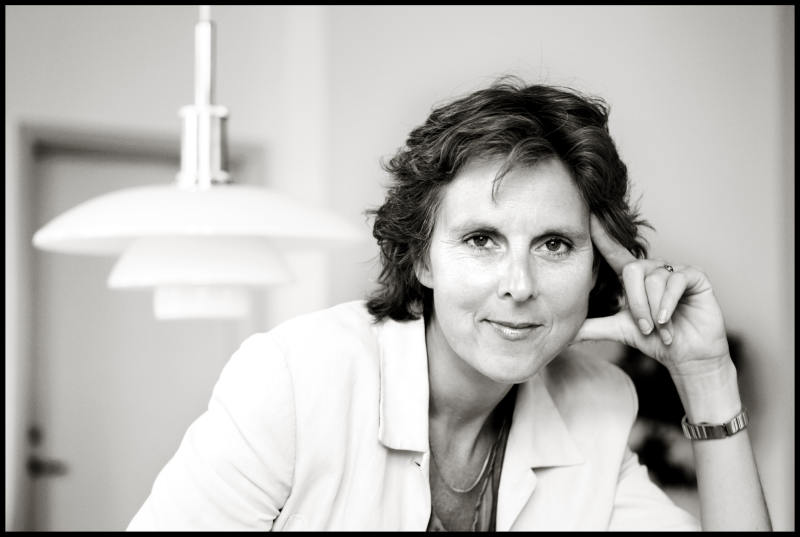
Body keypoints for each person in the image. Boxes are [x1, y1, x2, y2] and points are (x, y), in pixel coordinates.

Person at [127, 77, 772, 531]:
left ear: (595, 267)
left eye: (553, 244)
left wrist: (706, 376)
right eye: (481, 240)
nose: (519, 284)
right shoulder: (295, 381)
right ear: (422, 258)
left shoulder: (597, 405)